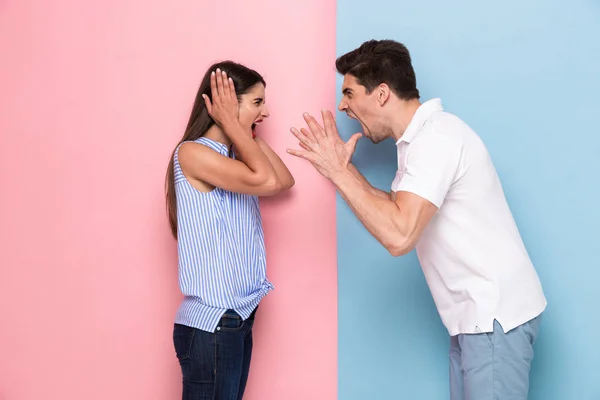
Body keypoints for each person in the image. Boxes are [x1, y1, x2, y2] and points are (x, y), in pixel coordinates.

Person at [287, 39, 546, 399]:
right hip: (478, 320)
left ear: (380, 94)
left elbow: (399, 235)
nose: (342, 105)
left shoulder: (434, 140)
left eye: (348, 93)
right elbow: (397, 205)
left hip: (492, 317)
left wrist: (339, 172)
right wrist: (339, 170)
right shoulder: (421, 140)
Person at [165, 61, 294, 400]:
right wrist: (231, 124)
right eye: (256, 102)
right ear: (225, 104)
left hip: (235, 319)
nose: (266, 111)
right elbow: (266, 181)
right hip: (213, 323)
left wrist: (243, 131)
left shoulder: (235, 156)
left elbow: (283, 181)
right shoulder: (192, 153)